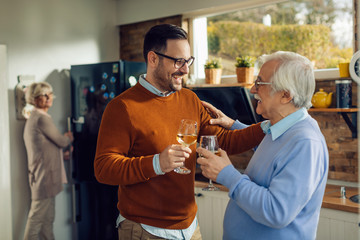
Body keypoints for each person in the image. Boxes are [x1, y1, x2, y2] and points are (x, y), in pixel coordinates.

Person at [94, 23, 265, 240]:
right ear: (153, 58)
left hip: (190, 228)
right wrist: (157, 163)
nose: (185, 69)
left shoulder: (189, 98)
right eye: (178, 61)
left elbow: (223, 140)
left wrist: (270, 125)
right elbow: (104, 168)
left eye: (188, 61)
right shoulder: (122, 107)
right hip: (145, 230)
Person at [197, 51, 329, 240]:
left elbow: (276, 212)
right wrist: (232, 124)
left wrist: (227, 173)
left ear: (286, 95)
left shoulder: (305, 143)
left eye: (260, 83)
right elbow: (275, 155)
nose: (252, 89)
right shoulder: (281, 129)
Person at [23, 82, 74, 240]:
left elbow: (44, 148)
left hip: (46, 178)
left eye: (49, 94)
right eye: (43, 95)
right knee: (36, 221)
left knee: (47, 222)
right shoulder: (41, 118)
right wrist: (69, 137)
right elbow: (61, 141)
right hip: (44, 179)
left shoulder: (36, 117)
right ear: (34, 98)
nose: (48, 97)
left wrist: (62, 156)